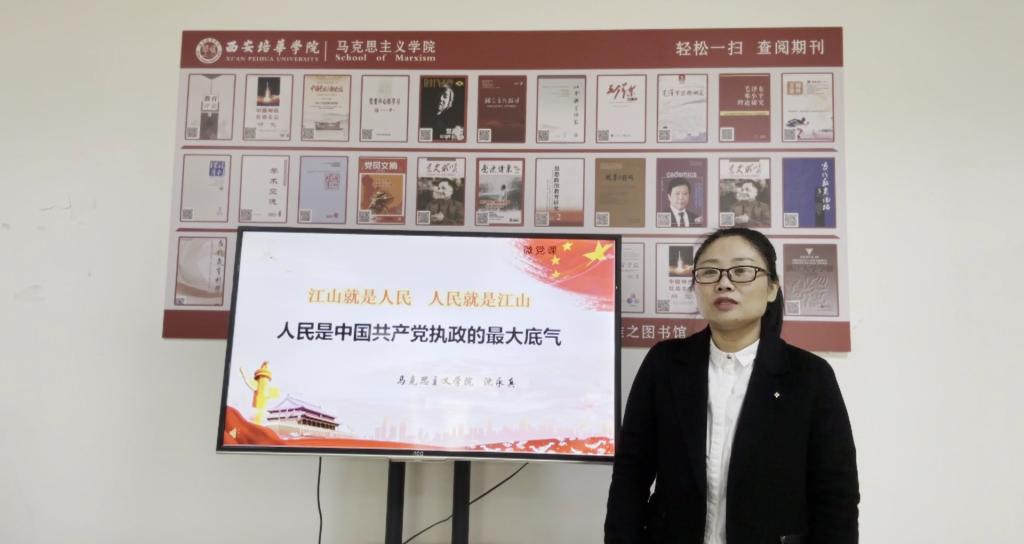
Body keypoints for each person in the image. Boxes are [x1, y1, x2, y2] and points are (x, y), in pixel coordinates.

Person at [605, 227, 859, 544]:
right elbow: (631, 473)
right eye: (709, 272)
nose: (724, 283)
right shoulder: (665, 364)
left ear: (772, 288)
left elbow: (836, 495)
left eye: (741, 271)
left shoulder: (809, 376)